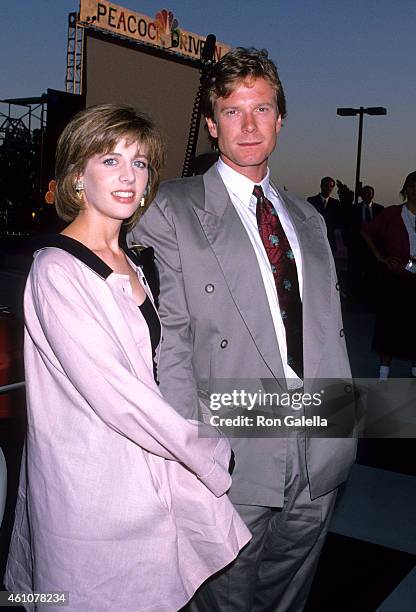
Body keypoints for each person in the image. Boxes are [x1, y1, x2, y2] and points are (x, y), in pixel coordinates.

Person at [130, 48, 356, 612]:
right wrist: (197, 456)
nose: (249, 124)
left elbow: (327, 331)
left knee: (288, 594)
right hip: (233, 449)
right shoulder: (172, 209)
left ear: (280, 118)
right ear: (212, 125)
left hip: (319, 438)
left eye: (262, 109)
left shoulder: (307, 218)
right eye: (233, 112)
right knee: (226, 600)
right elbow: (170, 345)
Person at [4, 104, 250, 611]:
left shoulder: (131, 261)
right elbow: (120, 397)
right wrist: (208, 451)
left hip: (144, 478)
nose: (128, 176)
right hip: (95, 492)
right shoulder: (57, 271)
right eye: (110, 160)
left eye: (140, 163)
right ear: (77, 177)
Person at [362, 170, 416, 379]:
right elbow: (366, 231)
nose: (415, 190)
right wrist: (380, 256)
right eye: (411, 185)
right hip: (396, 277)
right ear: (404, 189)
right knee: (390, 322)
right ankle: (384, 369)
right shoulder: (392, 213)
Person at [347, 185, 384, 305]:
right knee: (354, 275)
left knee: (372, 276)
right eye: (365, 193)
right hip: (357, 247)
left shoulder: (379, 209)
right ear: (361, 195)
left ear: (373, 195)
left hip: (373, 249)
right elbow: (347, 226)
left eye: (369, 193)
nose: (367, 195)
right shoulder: (354, 209)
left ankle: (371, 302)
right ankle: (353, 301)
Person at [307, 176, 341, 253]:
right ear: (321, 186)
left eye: (331, 186)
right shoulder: (311, 201)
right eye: (326, 185)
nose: (328, 188)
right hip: (315, 238)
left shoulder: (336, 203)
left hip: (330, 240)